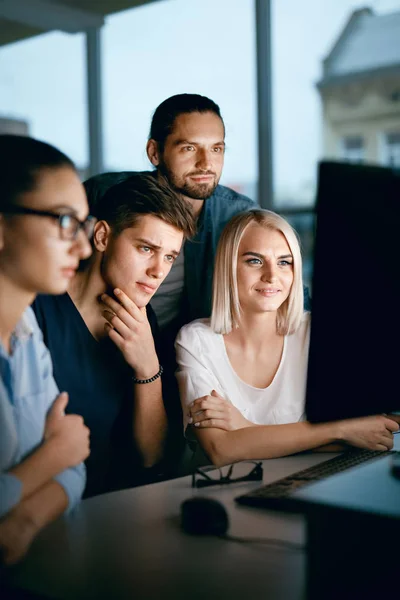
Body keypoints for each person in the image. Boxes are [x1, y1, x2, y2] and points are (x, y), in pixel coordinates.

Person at [175, 209, 400, 467]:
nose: (272, 275)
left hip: (305, 483)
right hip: (221, 491)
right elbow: (221, 449)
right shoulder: (196, 341)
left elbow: (376, 431)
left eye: (284, 262)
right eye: (255, 261)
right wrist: (339, 429)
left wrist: (246, 428)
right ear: (228, 266)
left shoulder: (318, 335)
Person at [32, 173, 195, 497]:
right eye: (146, 248)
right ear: (103, 236)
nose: (158, 271)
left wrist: (147, 370)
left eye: (169, 257)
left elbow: (151, 458)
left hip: (114, 508)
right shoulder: (37, 307)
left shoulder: (143, 319)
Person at [84, 93, 258, 332]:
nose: (206, 163)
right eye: (189, 148)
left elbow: (293, 301)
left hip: (191, 356)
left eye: (216, 149)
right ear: (154, 152)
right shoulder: (102, 195)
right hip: (99, 340)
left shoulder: (241, 216)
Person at [0, 135, 92, 565]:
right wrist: (49, 457)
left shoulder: (26, 329)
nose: (84, 247)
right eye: (63, 221)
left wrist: (23, 522)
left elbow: (75, 468)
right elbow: (65, 451)